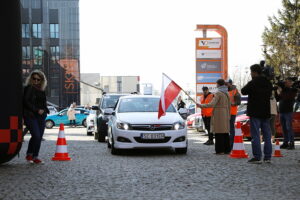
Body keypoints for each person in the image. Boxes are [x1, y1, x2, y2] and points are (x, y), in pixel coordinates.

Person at [241, 64, 272, 164]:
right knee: (267, 135)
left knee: (255, 135)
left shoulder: (253, 82)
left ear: (254, 72)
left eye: (251, 72)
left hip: (255, 112)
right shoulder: (268, 82)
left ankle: (257, 157)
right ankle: (267, 157)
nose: (250, 74)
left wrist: (251, 83)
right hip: (266, 112)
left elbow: (243, 91)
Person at [197, 79, 231, 154]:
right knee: (225, 132)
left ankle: (220, 150)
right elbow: (229, 105)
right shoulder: (227, 93)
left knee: (218, 132)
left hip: (219, 114)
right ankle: (227, 150)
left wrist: (201, 105)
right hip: (225, 113)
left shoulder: (218, 93)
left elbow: (212, 104)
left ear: (218, 84)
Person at [23, 70, 49, 164]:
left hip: (41, 116)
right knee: (36, 135)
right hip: (30, 115)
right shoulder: (29, 88)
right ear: (31, 79)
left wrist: (45, 110)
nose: (36, 81)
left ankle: (33, 156)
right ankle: (31, 154)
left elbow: (43, 103)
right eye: (34, 79)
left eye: (39, 79)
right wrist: (37, 110)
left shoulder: (42, 90)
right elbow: (26, 102)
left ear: (42, 80)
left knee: (38, 136)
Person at [275, 77, 297, 150]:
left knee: (289, 128)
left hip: (288, 112)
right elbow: (278, 98)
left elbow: (286, 98)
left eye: (287, 82)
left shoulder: (292, 90)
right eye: (285, 82)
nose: (285, 83)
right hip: (281, 112)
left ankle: (292, 143)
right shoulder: (283, 90)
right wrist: (276, 90)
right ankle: (285, 143)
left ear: (290, 83)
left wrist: (282, 89)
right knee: (284, 128)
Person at [226, 79, 241, 150]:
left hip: (232, 112)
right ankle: (228, 144)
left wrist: (233, 104)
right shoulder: (226, 90)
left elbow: (238, 101)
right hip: (226, 112)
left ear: (230, 84)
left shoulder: (235, 90)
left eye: (227, 84)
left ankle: (231, 145)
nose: (226, 85)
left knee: (231, 129)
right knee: (227, 129)